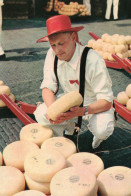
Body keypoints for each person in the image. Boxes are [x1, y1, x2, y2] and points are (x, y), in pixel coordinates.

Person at [34, 15, 115, 149]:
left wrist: (82, 111)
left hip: (94, 104)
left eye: (61, 43)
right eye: (53, 45)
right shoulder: (52, 54)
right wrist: (55, 111)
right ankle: (65, 136)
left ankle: (98, 138)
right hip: (69, 102)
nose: (57, 50)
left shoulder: (93, 59)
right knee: (42, 115)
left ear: (73, 37)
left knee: (103, 128)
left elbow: (106, 101)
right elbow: (47, 87)